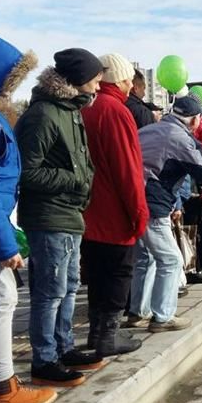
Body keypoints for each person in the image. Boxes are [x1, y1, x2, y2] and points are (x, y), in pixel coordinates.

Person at [0, 31, 57, 403]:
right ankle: (4, 389)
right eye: (10, 77)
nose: (12, 84)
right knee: (2, 298)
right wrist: (4, 244)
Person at [16, 48, 105, 386]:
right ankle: (44, 359)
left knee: (67, 287)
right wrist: (75, 180)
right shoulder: (44, 114)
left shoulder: (70, 110)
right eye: (95, 80)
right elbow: (27, 172)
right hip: (49, 217)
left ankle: (64, 346)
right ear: (78, 80)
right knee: (50, 291)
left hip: (69, 214)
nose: (98, 87)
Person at [130, 96, 202, 331]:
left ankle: (138, 312)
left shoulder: (149, 130)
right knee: (172, 260)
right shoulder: (180, 138)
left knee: (146, 258)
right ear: (194, 120)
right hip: (153, 204)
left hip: (133, 199)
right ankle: (163, 317)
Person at [80, 53, 149, 357]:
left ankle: (96, 334)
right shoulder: (116, 111)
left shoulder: (86, 107)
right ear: (121, 80)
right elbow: (128, 169)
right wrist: (138, 212)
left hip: (87, 210)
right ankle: (108, 335)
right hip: (114, 210)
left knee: (95, 273)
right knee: (120, 273)